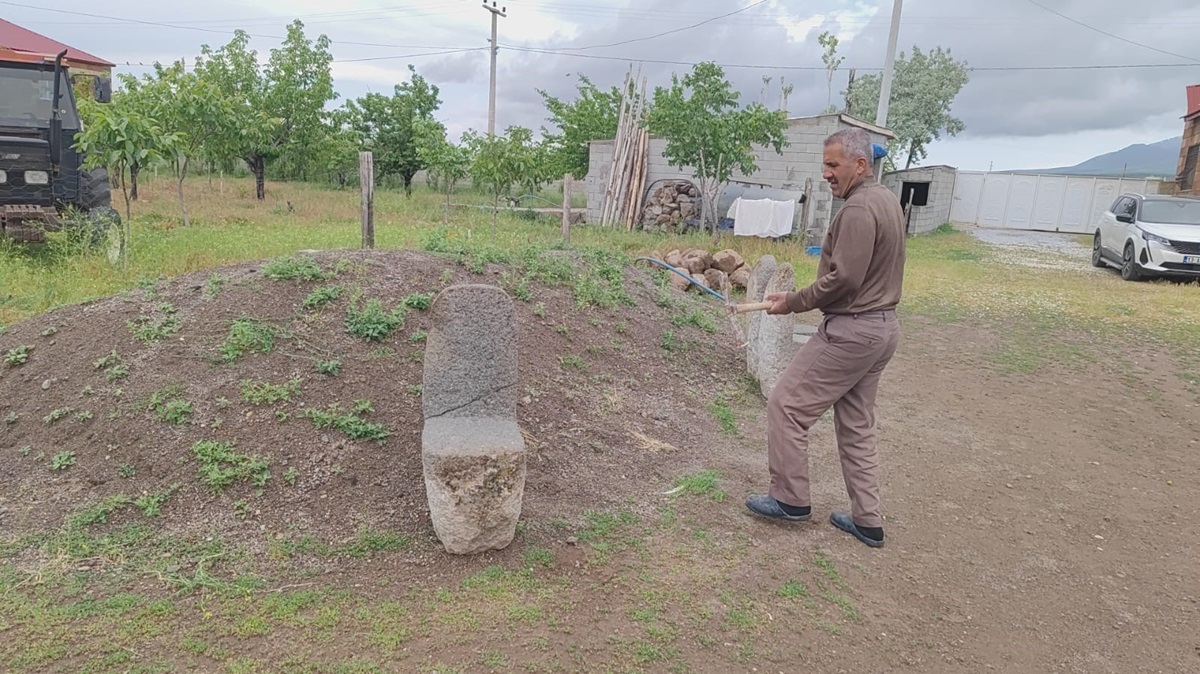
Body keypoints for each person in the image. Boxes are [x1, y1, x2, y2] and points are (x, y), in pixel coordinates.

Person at [744, 127, 907, 548]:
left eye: (834, 165)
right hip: (883, 328)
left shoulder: (856, 210)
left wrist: (793, 302)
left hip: (852, 330)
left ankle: (790, 500)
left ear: (859, 163)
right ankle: (867, 520)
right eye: (825, 166)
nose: (827, 174)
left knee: (786, 405)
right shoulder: (887, 200)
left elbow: (844, 280)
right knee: (855, 424)